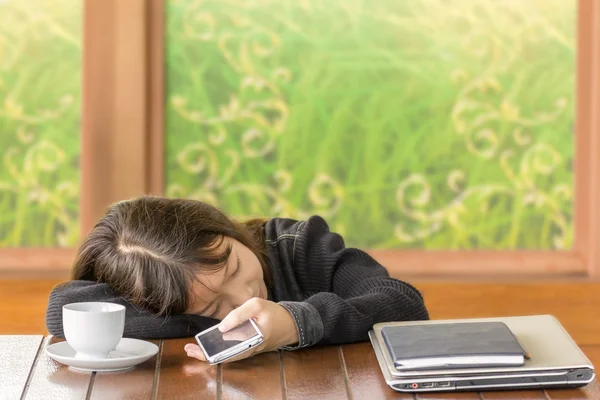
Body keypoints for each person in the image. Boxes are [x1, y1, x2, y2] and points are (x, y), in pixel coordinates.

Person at [46, 196, 429, 362]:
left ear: (221, 229)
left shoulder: (297, 245)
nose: (247, 293)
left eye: (233, 268)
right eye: (213, 306)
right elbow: (63, 310)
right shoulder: (160, 294)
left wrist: (297, 323)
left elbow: (403, 304)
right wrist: (194, 319)